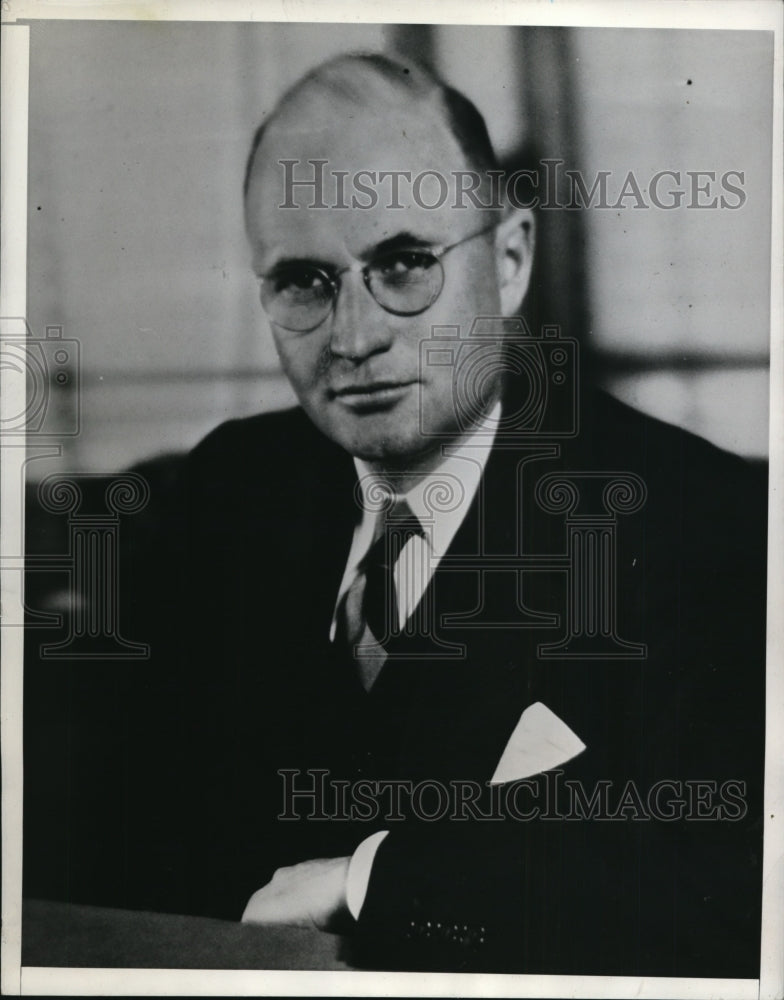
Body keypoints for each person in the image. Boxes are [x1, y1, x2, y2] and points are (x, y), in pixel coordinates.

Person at [24, 52, 767, 977]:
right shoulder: (228, 493)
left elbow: (733, 903)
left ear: (509, 261)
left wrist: (376, 877)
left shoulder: (703, 522)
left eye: (405, 264)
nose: (355, 338)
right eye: (304, 281)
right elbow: (109, 848)